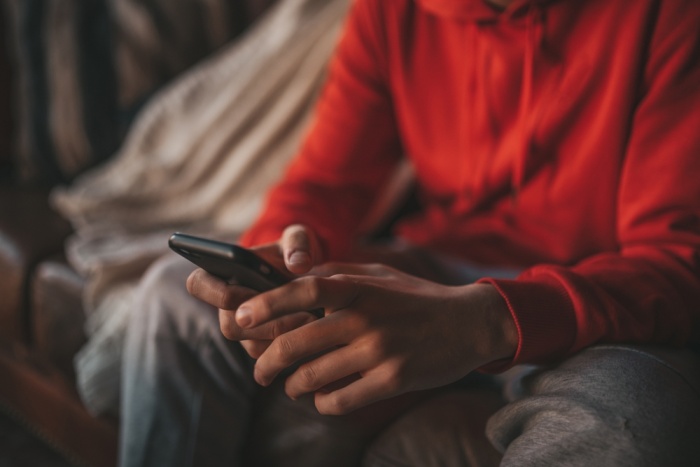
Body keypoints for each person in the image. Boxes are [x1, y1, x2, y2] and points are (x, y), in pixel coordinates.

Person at [119, 0, 700, 465]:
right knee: (173, 293)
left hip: (596, 315)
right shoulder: (394, 10)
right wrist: (280, 252)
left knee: (632, 419)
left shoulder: (671, 16)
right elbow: (324, 184)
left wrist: (491, 320)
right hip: (439, 267)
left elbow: (678, 261)